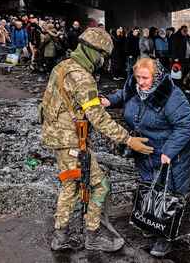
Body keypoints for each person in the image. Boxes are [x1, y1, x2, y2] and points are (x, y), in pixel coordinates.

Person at [40, 26, 153, 252]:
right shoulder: (82, 77)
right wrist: (128, 140)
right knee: (101, 185)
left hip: (59, 138)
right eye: (102, 56)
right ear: (93, 51)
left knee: (70, 185)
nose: (103, 61)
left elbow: (58, 103)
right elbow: (99, 119)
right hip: (71, 141)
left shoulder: (64, 66)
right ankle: (93, 236)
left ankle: (61, 237)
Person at [102, 58, 190, 257]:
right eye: (137, 77)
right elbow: (123, 94)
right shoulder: (135, 88)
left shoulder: (171, 96)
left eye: (145, 78)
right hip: (146, 151)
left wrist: (169, 151)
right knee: (149, 187)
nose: (141, 82)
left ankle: (165, 237)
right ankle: (150, 222)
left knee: (168, 193)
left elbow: (186, 125)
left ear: (157, 76)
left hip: (171, 154)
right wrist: (109, 100)